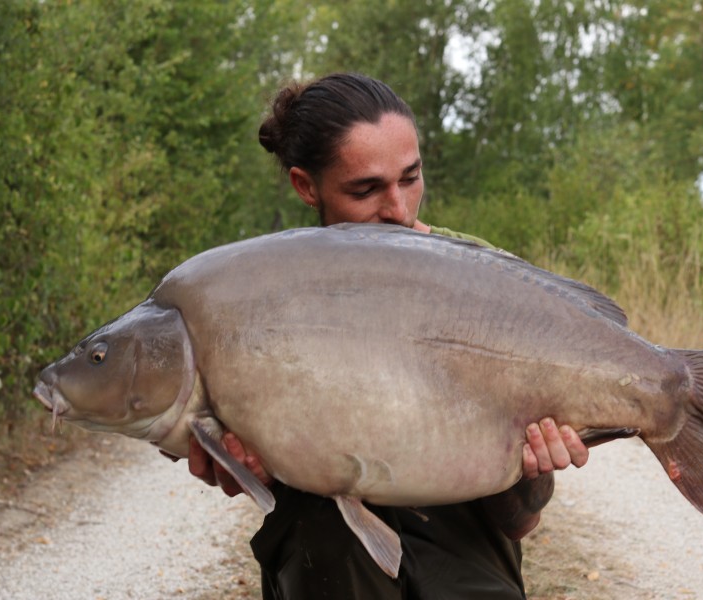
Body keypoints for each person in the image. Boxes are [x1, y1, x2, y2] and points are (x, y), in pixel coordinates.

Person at [185, 73, 589, 599]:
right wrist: (242, 464)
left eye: (411, 177)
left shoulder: (485, 276)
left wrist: (532, 471)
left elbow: (518, 524)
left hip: (465, 555)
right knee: (324, 534)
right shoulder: (266, 290)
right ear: (307, 187)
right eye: (366, 189)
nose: (398, 210)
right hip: (327, 562)